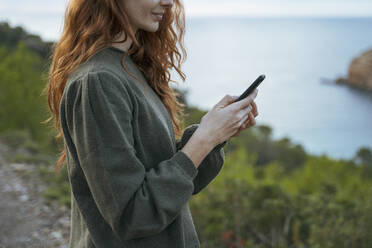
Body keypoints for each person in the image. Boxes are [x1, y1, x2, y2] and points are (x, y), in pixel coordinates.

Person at [44, 0, 259, 247]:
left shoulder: (129, 69)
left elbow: (175, 188)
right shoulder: (98, 81)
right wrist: (204, 138)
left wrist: (216, 134)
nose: (168, 2)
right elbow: (133, 216)